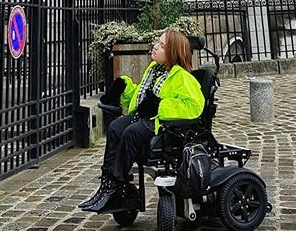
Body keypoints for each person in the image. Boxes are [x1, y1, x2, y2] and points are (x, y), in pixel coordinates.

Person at [79, 28, 205, 213]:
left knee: (131, 132)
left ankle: (116, 183)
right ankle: (107, 185)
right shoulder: (154, 70)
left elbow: (194, 106)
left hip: (160, 123)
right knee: (114, 127)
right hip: (144, 115)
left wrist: (160, 106)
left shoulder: (183, 77)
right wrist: (124, 86)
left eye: (161, 46)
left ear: (172, 53)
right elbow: (141, 97)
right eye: (158, 43)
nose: (155, 47)